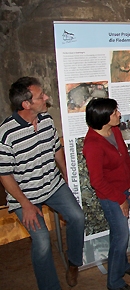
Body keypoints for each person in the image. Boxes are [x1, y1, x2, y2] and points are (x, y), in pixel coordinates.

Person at [0, 77, 85, 289]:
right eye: (41, 96)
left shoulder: (46, 120)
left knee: (77, 217)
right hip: (24, 195)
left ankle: (73, 262)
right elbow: (5, 175)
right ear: (26, 104)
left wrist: (66, 174)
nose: (46, 97)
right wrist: (26, 205)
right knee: (42, 241)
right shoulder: (6, 134)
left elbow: (57, 149)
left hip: (52, 186)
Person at [83, 98, 130, 290]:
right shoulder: (92, 144)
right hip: (111, 197)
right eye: (115, 111)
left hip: (125, 189)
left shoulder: (114, 130)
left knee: (118, 233)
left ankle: (122, 264)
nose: (119, 114)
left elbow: (125, 157)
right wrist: (120, 200)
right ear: (103, 117)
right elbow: (97, 181)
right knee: (121, 235)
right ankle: (115, 282)